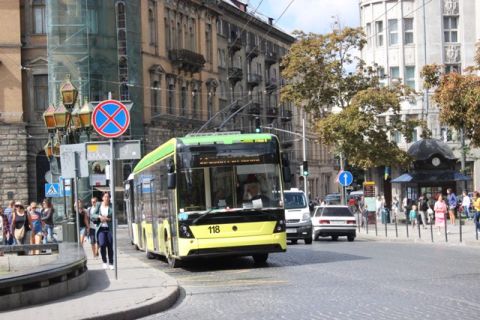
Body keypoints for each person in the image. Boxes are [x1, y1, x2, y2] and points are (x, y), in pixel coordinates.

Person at [91, 192, 114, 269]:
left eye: (108, 197)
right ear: (102, 198)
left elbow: (114, 216)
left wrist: (108, 219)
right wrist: (99, 217)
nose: (106, 198)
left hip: (109, 228)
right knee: (102, 244)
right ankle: (104, 261)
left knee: (110, 246)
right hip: (100, 229)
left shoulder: (112, 206)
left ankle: (111, 263)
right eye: (105, 197)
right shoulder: (98, 205)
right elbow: (93, 215)